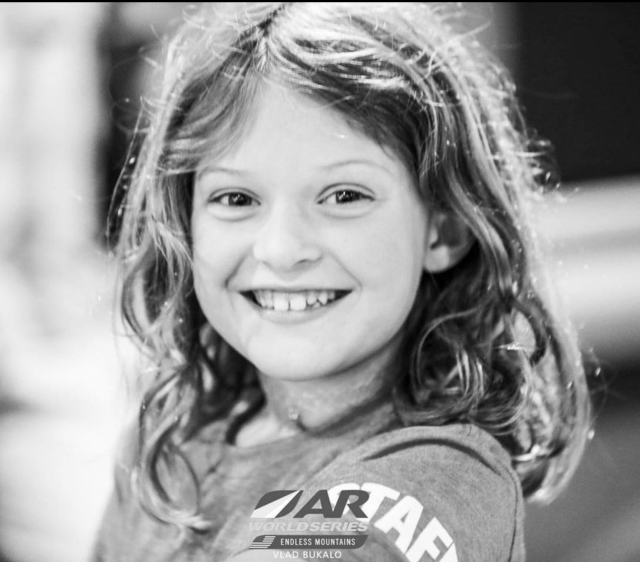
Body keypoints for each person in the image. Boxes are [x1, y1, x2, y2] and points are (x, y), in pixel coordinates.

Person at [91, 3, 593, 561]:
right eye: (236, 198)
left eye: (344, 196)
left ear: (445, 229)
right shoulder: (167, 448)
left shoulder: (436, 472)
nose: (281, 250)